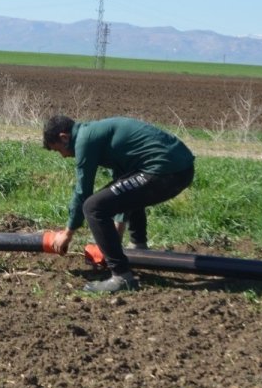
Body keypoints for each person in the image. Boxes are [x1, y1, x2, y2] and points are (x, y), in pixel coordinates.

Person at [42, 115, 195, 293]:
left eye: (58, 150)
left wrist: (67, 233)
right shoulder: (96, 132)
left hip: (165, 171)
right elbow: (123, 183)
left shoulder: (84, 140)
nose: (63, 156)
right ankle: (138, 247)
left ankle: (122, 276)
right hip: (179, 169)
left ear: (64, 137)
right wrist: (117, 231)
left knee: (93, 207)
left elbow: (82, 192)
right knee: (125, 189)